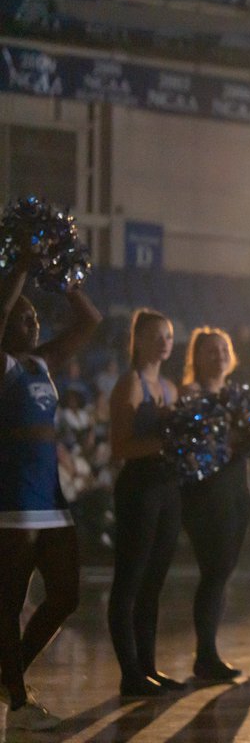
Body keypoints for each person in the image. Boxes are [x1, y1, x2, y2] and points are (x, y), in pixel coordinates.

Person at [0, 253, 100, 729]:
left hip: (51, 498)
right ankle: (18, 704)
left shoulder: (42, 363)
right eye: (23, 315)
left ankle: (8, 673)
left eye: (35, 316)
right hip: (13, 497)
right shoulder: (3, 365)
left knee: (65, 594)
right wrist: (19, 267)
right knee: (9, 601)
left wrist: (59, 273)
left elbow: (91, 320)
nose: (31, 321)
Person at [108, 308, 182, 697]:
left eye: (168, 335)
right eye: (156, 335)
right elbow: (120, 447)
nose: (164, 342)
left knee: (154, 582)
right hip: (139, 487)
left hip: (167, 487)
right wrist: (166, 443)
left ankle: (148, 668)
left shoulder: (170, 387)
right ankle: (130, 673)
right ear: (138, 340)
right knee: (130, 580)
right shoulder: (130, 385)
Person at [179, 327, 250, 682]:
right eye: (210, 350)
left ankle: (208, 652)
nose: (219, 355)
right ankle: (205, 656)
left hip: (238, 487)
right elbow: (202, 442)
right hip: (207, 491)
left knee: (221, 574)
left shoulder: (238, 395)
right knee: (215, 571)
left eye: (224, 348)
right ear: (196, 357)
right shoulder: (191, 393)